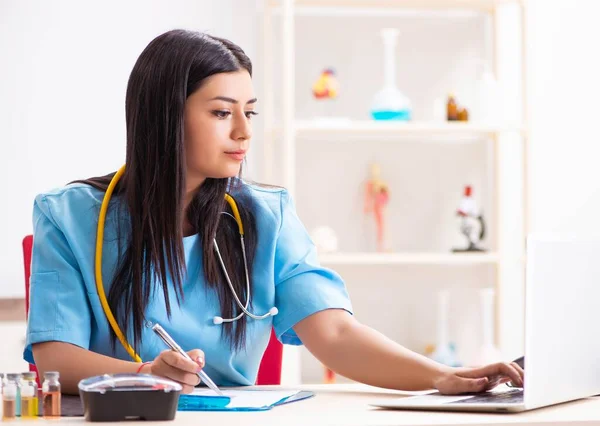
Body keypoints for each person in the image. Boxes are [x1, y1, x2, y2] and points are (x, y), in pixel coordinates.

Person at [24, 29, 524, 395]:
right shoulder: (68, 217)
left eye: (250, 112)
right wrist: (145, 377)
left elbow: (334, 333)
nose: (243, 130)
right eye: (222, 112)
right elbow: (52, 355)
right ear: (164, 117)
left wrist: (439, 375)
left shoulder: (266, 215)